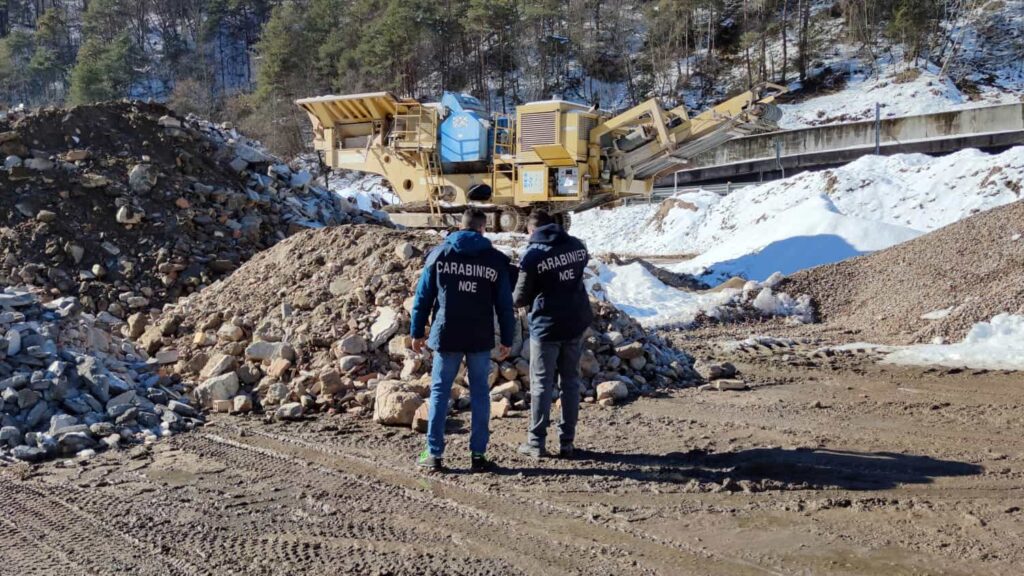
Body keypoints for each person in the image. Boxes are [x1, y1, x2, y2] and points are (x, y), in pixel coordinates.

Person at [410, 208, 515, 472]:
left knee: (440, 392)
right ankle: (478, 455)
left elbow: (423, 297)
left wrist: (417, 331)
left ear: (460, 226)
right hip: (479, 335)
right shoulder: (495, 260)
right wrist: (508, 337)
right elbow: (504, 304)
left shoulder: (440, 255)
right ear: (483, 229)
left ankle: (434, 455)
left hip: (447, 333)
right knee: (480, 393)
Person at [513, 210, 592, 458]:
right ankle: (567, 442)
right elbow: (578, 269)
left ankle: (536, 443)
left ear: (531, 230)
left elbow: (519, 298)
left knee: (542, 384)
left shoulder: (533, 256)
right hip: (576, 322)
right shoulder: (577, 245)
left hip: (547, 327)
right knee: (570, 382)